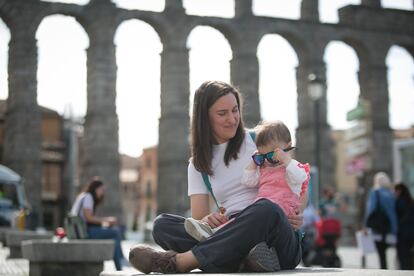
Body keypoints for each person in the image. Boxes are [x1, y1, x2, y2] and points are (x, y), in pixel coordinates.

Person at [129, 80, 305, 273]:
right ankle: (243, 260)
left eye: (235, 110)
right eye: (222, 113)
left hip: (276, 238)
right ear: (205, 118)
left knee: (266, 209)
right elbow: (198, 223)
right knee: (162, 225)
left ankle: (179, 263)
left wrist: (298, 212)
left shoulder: (261, 140)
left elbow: (297, 178)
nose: (232, 119)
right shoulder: (198, 164)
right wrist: (208, 220)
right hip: (231, 229)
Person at [184, 120, 310, 242]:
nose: (266, 161)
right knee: (165, 223)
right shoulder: (264, 169)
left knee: (258, 211)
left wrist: (286, 159)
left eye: (271, 156)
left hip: (278, 214)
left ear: (287, 147)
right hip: (255, 214)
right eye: (262, 157)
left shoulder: (292, 167)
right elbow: (248, 181)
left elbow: (301, 179)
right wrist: (254, 161)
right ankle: (216, 237)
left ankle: (214, 241)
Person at [70, 177, 128, 270]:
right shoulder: (88, 197)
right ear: (95, 188)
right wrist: (106, 220)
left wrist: (104, 223)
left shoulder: (83, 195)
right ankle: (120, 264)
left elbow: (87, 219)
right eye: (101, 190)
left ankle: (119, 265)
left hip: (82, 230)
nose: (102, 193)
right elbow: (88, 218)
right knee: (115, 232)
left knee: (113, 233)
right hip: (83, 232)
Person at [363, 172, 397, 269]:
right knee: (386, 251)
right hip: (390, 227)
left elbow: (371, 209)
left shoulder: (375, 192)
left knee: (381, 252)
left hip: (378, 227)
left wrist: (365, 225)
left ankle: (384, 270)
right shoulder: (391, 193)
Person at [394, 182, 414, 270]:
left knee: (402, 254)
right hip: (412, 232)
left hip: (402, 232)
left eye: (396, 191)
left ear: (399, 190)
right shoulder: (411, 201)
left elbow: (396, 217)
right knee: (410, 253)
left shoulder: (398, 201)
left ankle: (405, 270)